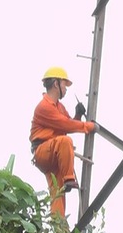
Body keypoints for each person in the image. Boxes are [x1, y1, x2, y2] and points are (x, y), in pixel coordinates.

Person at [29, 66, 98, 220]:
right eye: (64, 85)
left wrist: (78, 115)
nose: (66, 89)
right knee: (65, 141)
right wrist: (89, 127)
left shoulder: (59, 107)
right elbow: (65, 125)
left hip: (55, 154)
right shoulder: (44, 107)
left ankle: (60, 232)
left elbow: (69, 124)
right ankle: (69, 179)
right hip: (43, 151)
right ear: (56, 84)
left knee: (57, 195)